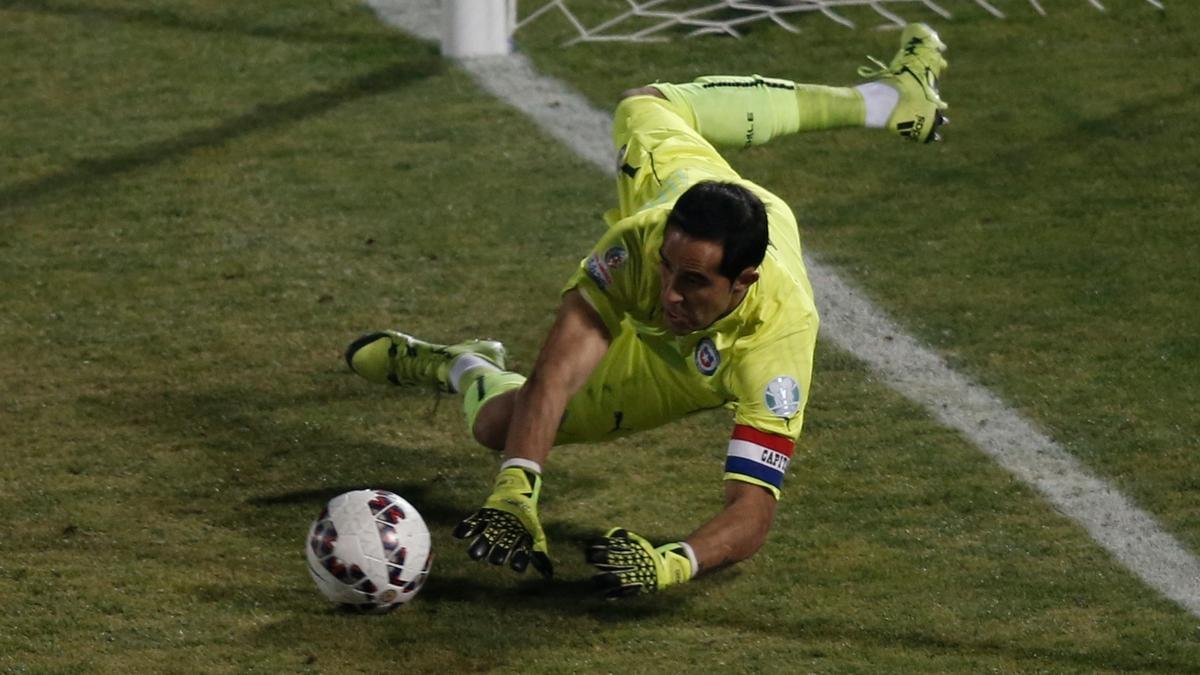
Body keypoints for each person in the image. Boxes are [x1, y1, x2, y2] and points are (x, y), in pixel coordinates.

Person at [344, 24, 949, 597]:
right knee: (644, 103)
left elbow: (753, 510)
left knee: (495, 425)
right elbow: (557, 372)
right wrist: (515, 491)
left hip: (679, 368)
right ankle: (883, 100)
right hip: (682, 218)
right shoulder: (641, 242)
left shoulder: (775, 346)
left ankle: (466, 366)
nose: (669, 295)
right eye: (667, 269)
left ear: (742, 282)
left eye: (693, 282)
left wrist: (673, 562)